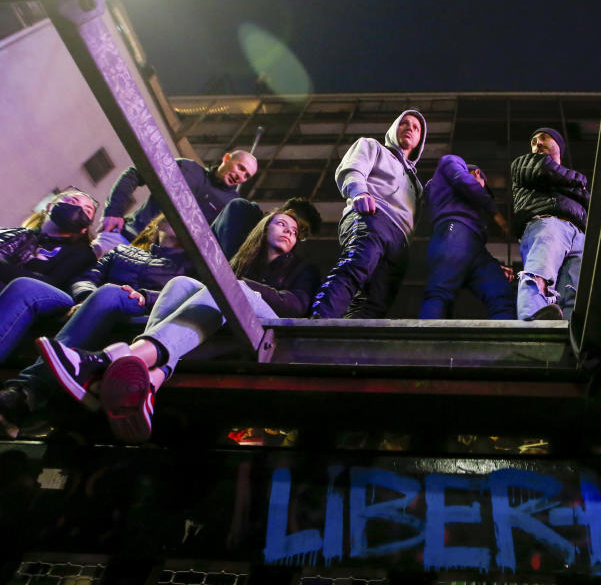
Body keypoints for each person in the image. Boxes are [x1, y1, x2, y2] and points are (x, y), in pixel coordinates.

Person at [30, 209, 316, 443]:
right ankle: (147, 381)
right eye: (281, 223)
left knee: (231, 288)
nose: (289, 231)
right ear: (263, 228)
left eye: (294, 231)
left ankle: (107, 361)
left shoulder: (303, 268)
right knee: (180, 283)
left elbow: (296, 306)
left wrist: (239, 285)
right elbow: (204, 295)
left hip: (271, 328)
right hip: (229, 325)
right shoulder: (239, 261)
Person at [0, 215, 192, 436]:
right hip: (93, 301)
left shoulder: (191, 264)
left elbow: (190, 293)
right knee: (26, 286)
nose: (176, 216)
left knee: (111, 290)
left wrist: (144, 296)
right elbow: (89, 276)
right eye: (169, 214)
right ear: (157, 223)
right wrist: (85, 296)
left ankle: (26, 392)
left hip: (143, 310)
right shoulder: (122, 251)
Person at [311, 110, 426, 319]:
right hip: (373, 215)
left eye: (416, 128)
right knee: (355, 267)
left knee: (377, 300)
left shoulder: (416, 185)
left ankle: (344, 347)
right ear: (394, 128)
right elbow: (352, 168)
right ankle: (318, 324)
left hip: (400, 240)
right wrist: (359, 192)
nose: (410, 128)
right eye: (405, 123)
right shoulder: (372, 146)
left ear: (420, 140)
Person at [0, 189, 98, 361]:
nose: (78, 209)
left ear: (85, 229)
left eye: (87, 210)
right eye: (73, 201)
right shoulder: (15, 234)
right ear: (50, 206)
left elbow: (48, 283)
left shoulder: (82, 254)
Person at [419, 155, 515, 319]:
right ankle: (424, 343)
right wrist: (497, 215)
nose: (483, 192)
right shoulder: (452, 162)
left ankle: (504, 340)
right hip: (455, 230)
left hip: (471, 244)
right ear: (477, 173)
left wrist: (494, 266)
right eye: (484, 187)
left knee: (501, 292)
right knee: (440, 292)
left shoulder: (447, 192)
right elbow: (465, 183)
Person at [511, 127, 589, 321]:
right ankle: (531, 323)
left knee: (575, 291)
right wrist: (578, 180)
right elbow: (543, 170)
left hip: (579, 234)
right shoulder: (523, 163)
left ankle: (571, 336)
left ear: (559, 145)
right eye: (534, 141)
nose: (537, 143)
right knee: (539, 274)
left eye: (544, 138)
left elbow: (588, 202)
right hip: (546, 223)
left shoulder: (566, 180)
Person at [98, 150, 258, 243]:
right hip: (124, 236)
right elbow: (135, 173)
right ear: (227, 158)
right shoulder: (187, 168)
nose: (241, 176)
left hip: (154, 265)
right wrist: (113, 211)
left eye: (246, 176)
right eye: (240, 167)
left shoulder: (231, 207)